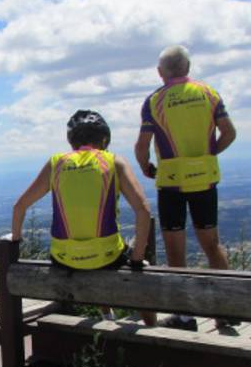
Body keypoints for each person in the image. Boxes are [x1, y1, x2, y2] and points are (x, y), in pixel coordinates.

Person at [11, 109, 155, 326]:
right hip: (106, 257)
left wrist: (15, 239)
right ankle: (151, 327)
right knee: (139, 264)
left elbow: (20, 206)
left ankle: (107, 314)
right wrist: (136, 258)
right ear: (105, 139)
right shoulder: (114, 162)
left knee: (89, 246)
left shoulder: (56, 163)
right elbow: (143, 211)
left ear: (71, 142)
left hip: (64, 258)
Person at [134, 45, 237, 330]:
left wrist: (146, 168)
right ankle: (226, 310)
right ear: (188, 68)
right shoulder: (208, 93)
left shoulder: (154, 101)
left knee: (175, 251)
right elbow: (230, 132)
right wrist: (209, 154)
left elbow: (142, 146)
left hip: (171, 183)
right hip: (204, 178)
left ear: (160, 72)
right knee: (212, 246)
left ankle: (184, 316)